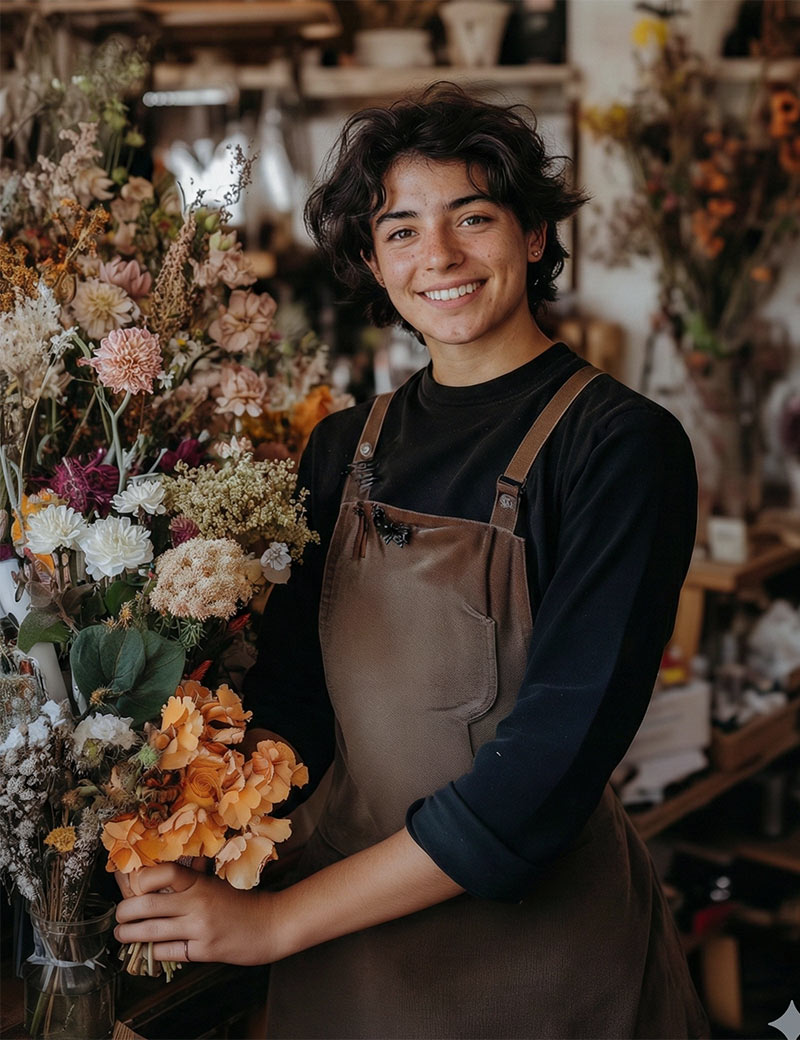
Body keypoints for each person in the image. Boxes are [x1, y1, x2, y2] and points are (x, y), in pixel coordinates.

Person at [115, 85, 710, 1039]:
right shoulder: (342, 445)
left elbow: (543, 779)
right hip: (346, 943)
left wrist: (270, 926)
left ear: (535, 239)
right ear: (369, 261)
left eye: (473, 217)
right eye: (401, 231)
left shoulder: (619, 448)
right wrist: (198, 838)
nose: (439, 257)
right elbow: (294, 705)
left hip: (538, 963)